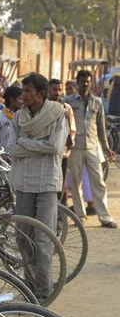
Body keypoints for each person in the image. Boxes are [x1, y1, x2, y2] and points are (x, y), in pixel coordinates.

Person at [8, 73, 69, 300]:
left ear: (40, 94)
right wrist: (36, 145)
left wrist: (25, 143)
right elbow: (12, 148)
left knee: (43, 239)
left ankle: (42, 293)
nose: (23, 95)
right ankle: (30, 289)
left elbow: (54, 147)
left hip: (47, 183)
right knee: (23, 238)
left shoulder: (58, 115)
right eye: (22, 91)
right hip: (23, 182)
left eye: (27, 91)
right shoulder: (18, 118)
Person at [66, 70, 117, 228]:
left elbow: (101, 126)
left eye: (88, 81)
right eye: (82, 80)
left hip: (93, 147)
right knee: (76, 182)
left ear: (91, 82)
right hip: (75, 147)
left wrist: (106, 147)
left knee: (98, 182)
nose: (85, 83)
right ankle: (80, 216)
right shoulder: (68, 101)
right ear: (77, 81)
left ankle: (104, 216)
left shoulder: (97, 102)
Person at [48, 79, 76, 206]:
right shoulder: (44, 107)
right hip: (48, 152)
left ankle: (59, 212)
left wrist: (69, 145)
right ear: (49, 90)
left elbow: (72, 129)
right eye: (55, 90)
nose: (58, 93)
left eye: (60, 90)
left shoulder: (66, 108)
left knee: (61, 184)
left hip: (63, 153)